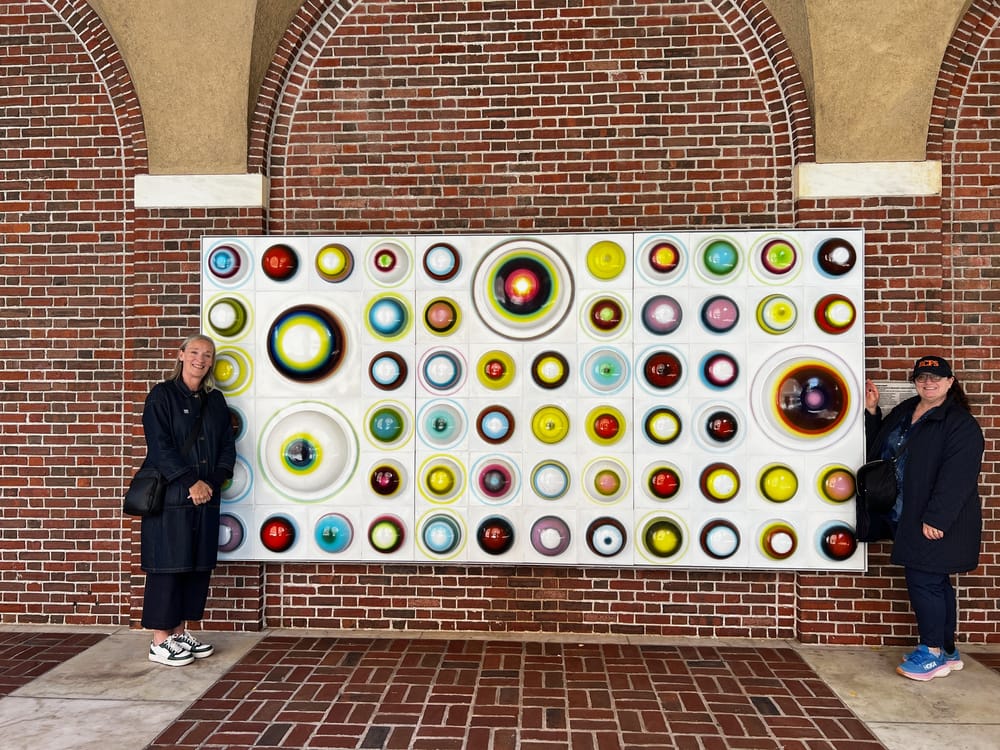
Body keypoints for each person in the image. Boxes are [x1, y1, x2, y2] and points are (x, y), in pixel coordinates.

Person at [864, 354, 984, 682]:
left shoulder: (959, 424)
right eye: (922, 378)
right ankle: (947, 650)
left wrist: (937, 518)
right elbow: (881, 447)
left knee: (925, 582)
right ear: (915, 382)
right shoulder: (907, 411)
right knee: (936, 582)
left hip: (933, 519)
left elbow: (958, 477)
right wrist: (873, 412)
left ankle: (931, 654)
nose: (928, 383)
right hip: (907, 511)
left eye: (936, 378)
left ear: (949, 382)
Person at [138, 334, 236, 666]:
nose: (200, 359)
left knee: (196, 566)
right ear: (180, 355)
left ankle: (179, 633)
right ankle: (159, 640)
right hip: (171, 496)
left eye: (207, 355)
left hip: (205, 496)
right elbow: (159, 447)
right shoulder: (161, 396)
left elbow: (227, 447)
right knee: (167, 565)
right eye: (194, 352)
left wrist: (210, 483)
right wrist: (190, 482)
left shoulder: (216, 401)